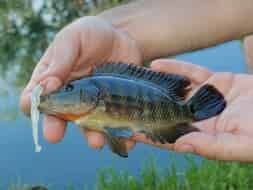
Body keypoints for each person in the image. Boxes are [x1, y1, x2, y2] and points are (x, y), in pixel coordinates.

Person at [20, 0, 253, 162]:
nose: (61, 92)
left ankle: (190, 112)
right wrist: (119, 30)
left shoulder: (95, 95)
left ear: (89, 95)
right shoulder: (90, 95)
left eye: (68, 88)